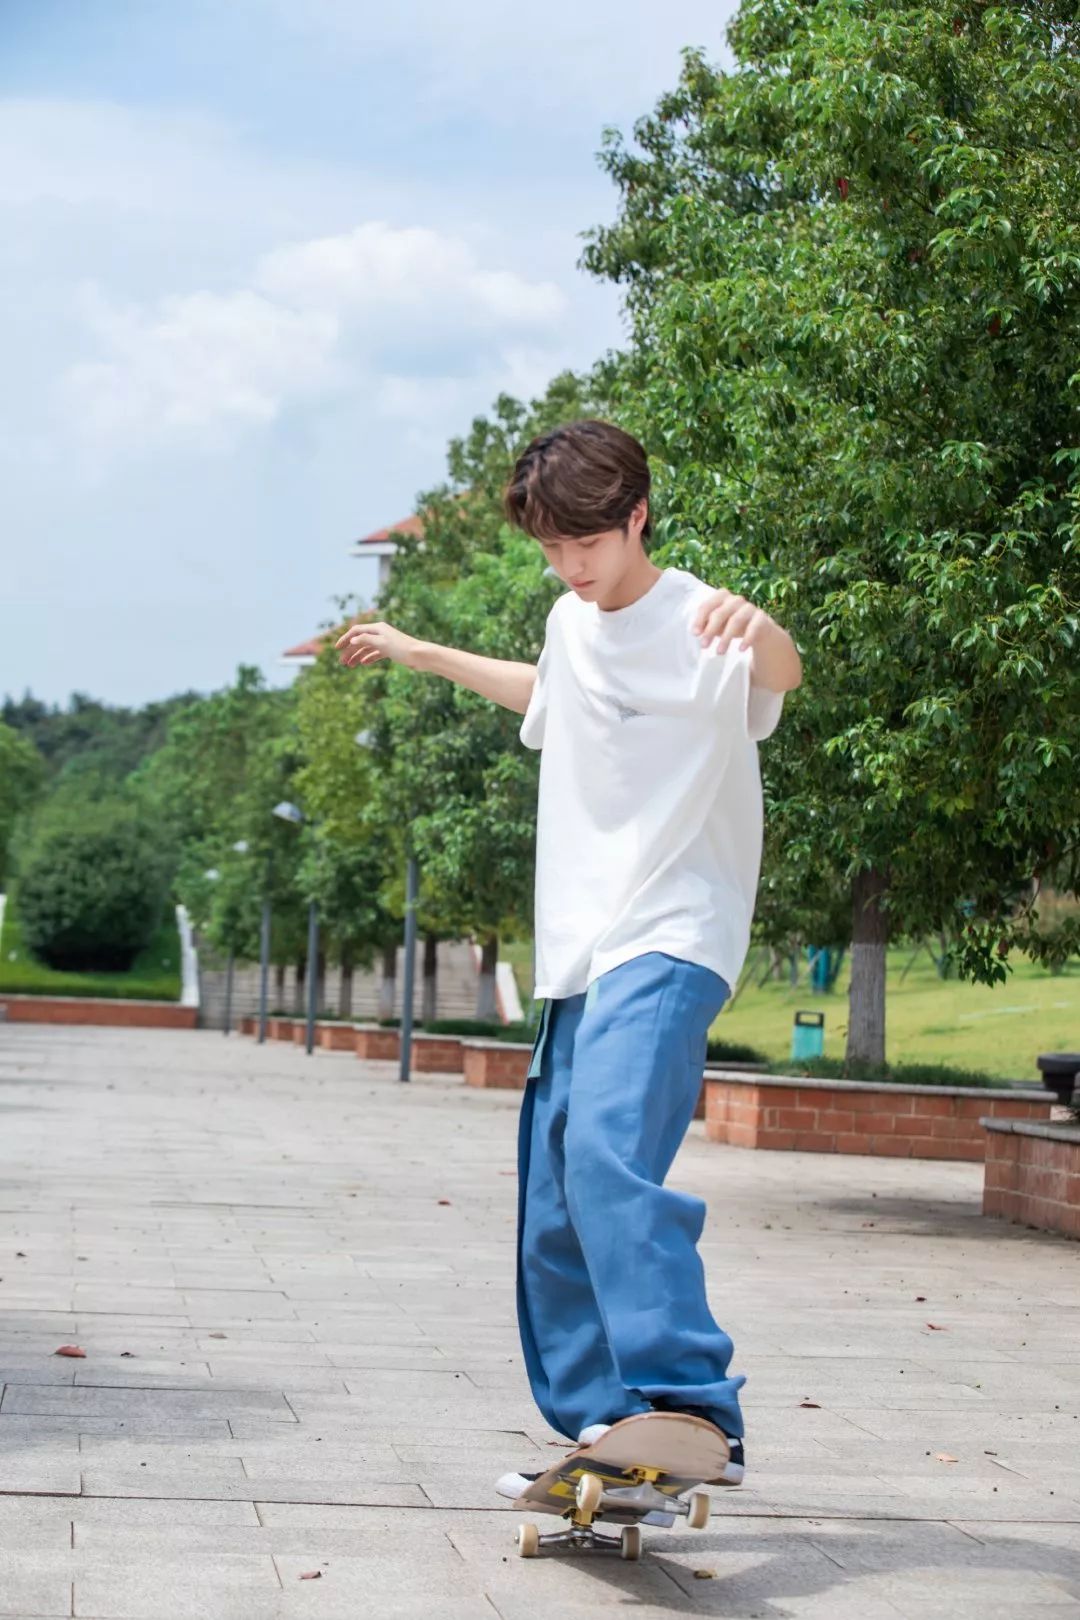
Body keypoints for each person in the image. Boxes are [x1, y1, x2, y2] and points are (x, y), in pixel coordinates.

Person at [336, 419, 802, 1511]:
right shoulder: (569, 616)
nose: (571, 568)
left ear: (636, 516)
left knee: (604, 1154)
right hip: (581, 950)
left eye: (585, 544)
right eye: (552, 549)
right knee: (550, 1184)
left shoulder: (701, 617)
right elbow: (550, 696)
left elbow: (779, 676)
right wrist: (421, 652)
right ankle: (607, 1427)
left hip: (674, 932)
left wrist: (768, 626)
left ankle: (693, 1410)